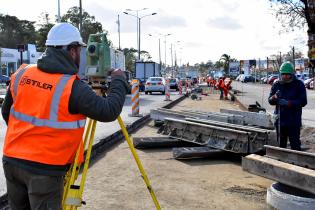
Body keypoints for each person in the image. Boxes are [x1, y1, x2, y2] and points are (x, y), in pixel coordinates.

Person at [1, 23, 128, 209]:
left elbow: (7, 113)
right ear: (72, 50)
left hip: (12, 162)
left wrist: (27, 140)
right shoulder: (71, 87)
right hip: (44, 171)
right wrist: (118, 79)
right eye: (79, 50)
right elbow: (108, 111)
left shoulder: (23, 73)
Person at [268, 62, 307, 151]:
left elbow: (303, 101)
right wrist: (274, 97)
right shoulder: (277, 84)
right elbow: (270, 100)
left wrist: (289, 103)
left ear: (292, 74)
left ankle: (296, 163)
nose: (285, 76)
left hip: (293, 121)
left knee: (295, 145)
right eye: (283, 74)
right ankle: (282, 163)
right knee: (281, 146)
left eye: (287, 74)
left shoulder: (298, 84)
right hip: (280, 121)